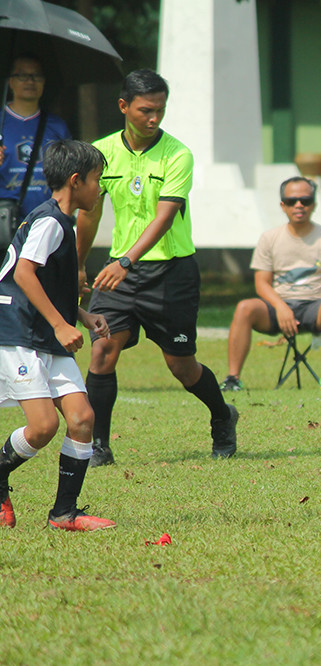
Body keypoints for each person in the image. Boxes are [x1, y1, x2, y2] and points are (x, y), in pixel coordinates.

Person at [75, 69, 238, 467]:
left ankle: (222, 417)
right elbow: (90, 214)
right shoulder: (101, 153)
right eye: (145, 110)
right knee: (102, 352)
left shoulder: (178, 154)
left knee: (180, 366)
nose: (154, 118)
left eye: (160, 110)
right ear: (123, 107)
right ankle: (100, 445)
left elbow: (165, 216)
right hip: (120, 274)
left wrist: (126, 260)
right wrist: (78, 265)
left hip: (171, 272)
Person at [0, 139, 116, 531]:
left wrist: (80, 314)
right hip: (21, 333)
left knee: (82, 417)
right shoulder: (50, 220)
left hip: (46, 330)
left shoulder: (59, 221)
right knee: (44, 426)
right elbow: (24, 274)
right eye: (96, 180)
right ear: (75, 180)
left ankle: (64, 513)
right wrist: (60, 324)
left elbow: (46, 282)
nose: (99, 189)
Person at [220, 176, 321, 391]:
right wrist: (281, 307)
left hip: (317, 306)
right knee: (245, 307)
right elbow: (261, 283)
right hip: (278, 306)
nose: (299, 205)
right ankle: (232, 379)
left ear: (314, 204)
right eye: (292, 201)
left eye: (305, 200)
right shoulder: (269, 238)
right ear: (283, 206)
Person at [0, 56, 72, 223]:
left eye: (36, 76)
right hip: (5, 222)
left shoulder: (58, 127)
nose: (30, 81)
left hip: (46, 220)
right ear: (10, 81)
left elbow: (70, 178)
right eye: (22, 75)